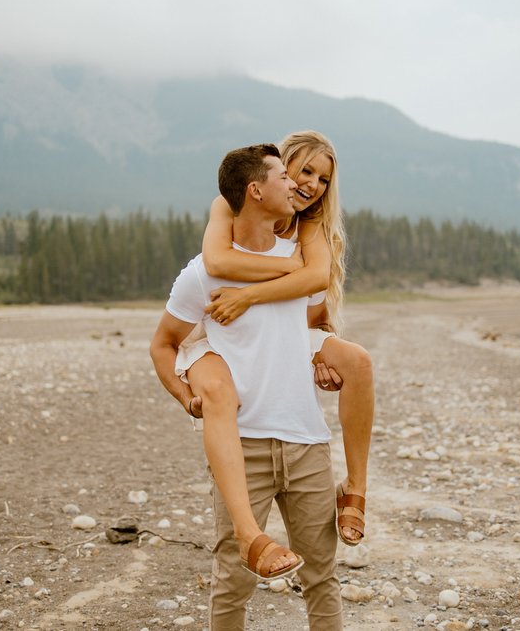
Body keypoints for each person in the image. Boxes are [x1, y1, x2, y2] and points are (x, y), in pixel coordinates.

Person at [150, 144, 342, 630]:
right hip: (243, 446)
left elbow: (316, 327)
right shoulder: (204, 271)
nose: (298, 185)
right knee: (233, 581)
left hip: (306, 439)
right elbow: (163, 344)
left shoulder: (304, 258)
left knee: (321, 578)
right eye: (285, 175)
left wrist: (324, 359)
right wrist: (185, 396)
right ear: (255, 191)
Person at [185, 131, 373, 553]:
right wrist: (285, 267)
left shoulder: (312, 225)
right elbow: (217, 260)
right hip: (245, 332)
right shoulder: (228, 206)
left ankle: (356, 486)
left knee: (357, 363)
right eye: (305, 170)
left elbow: (316, 280)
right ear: (280, 169)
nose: (311, 184)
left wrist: (248, 294)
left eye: (323, 180)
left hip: (298, 331)